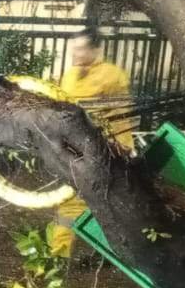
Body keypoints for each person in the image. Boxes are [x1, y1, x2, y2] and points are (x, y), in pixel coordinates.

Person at [49, 31, 133, 257]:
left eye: (81, 48)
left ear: (96, 50)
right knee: (74, 203)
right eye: (73, 48)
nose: (75, 54)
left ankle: (64, 255)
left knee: (86, 203)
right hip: (78, 152)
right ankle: (62, 253)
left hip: (106, 152)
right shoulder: (70, 75)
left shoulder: (112, 76)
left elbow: (118, 118)